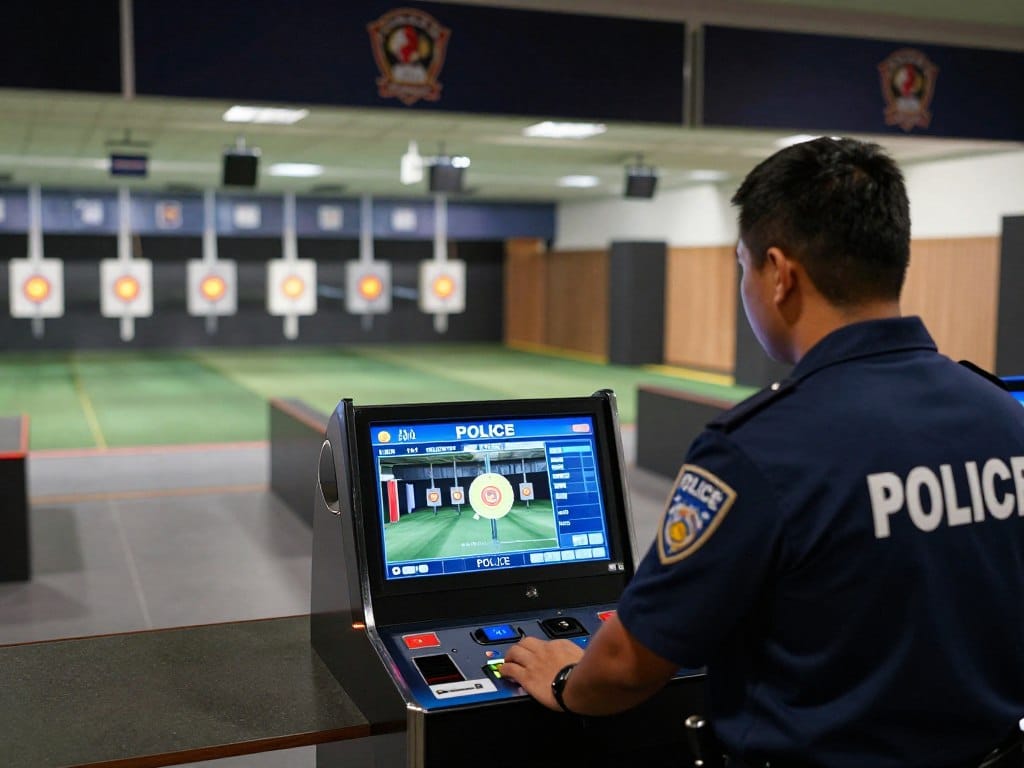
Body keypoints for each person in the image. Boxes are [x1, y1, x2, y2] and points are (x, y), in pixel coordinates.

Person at [500, 137, 1024, 768]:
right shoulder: (1004, 416)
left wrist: (564, 679)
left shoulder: (757, 449)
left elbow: (628, 663)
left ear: (780, 274)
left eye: (743, 267)